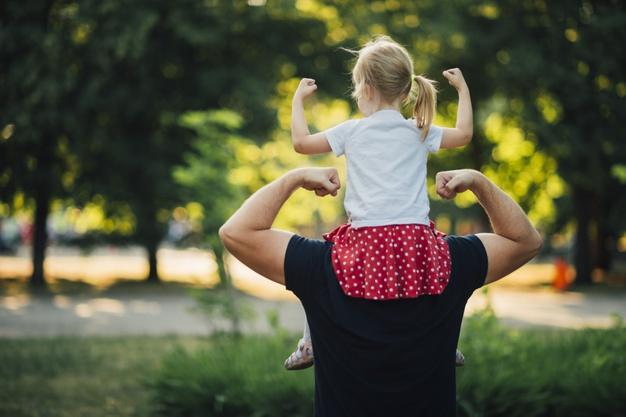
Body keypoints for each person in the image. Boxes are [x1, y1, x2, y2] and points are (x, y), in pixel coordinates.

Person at [219, 167, 541, 417]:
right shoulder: (449, 261)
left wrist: (295, 178)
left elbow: (236, 232)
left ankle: (309, 343)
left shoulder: (322, 265)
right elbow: (524, 241)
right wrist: (478, 183)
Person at [286, 35, 473, 369]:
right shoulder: (420, 129)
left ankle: (309, 344)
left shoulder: (352, 132)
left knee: (317, 272)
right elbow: (464, 134)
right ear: (405, 91)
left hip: (366, 239)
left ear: (366, 89)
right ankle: (446, 343)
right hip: (414, 237)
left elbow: (301, 143)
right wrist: (462, 91)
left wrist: (297, 100)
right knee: (443, 275)